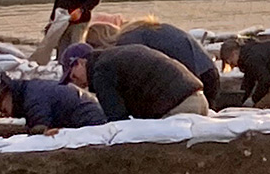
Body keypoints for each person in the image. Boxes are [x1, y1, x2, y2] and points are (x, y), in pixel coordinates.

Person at [87, 17, 223, 108]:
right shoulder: (146, 30)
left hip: (192, 79)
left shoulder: (126, 44)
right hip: (208, 70)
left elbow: (137, 76)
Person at [59, 43, 207, 121]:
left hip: (178, 107)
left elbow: (117, 119)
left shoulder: (101, 72)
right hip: (198, 98)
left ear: (80, 62)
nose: (77, 84)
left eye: (73, 76)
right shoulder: (114, 56)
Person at [0, 74, 106, 135]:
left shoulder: (32, 97)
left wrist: (38, 131)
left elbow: (40, 125)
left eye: (3, 110)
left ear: (8, 96)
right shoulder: (31, 90)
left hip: (89, 120)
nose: (7, 115)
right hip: (88, 114)